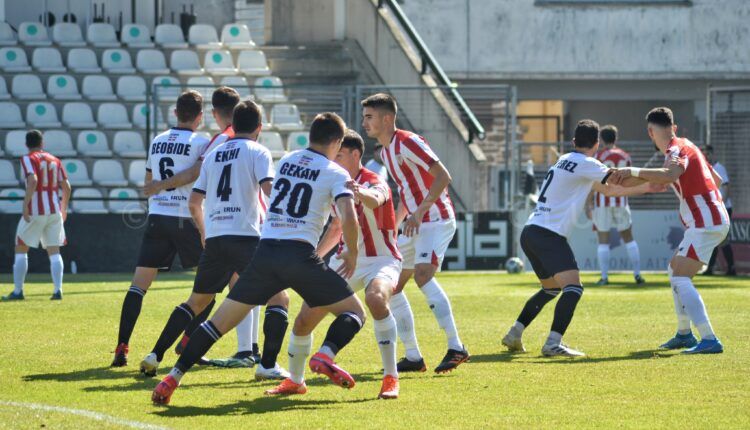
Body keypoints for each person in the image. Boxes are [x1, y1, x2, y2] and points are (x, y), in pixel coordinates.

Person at [152, 112, 365, 404]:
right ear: (337, 142)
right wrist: (352, 251)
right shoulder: (336, 172)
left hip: (264, 251)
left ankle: (172, 377)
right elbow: (349, 217)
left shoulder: (288, 159)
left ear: (310, 136)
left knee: (217, 323)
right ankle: (324, 355)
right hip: (299, 254)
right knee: (354, 313)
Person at [139, 100, 290, 380]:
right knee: (279, 298)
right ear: (259, 127)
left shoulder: (215, 154)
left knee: (196, 301)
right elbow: (270, 190)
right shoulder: (259, 151)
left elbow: (195, 202)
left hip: (216, 237)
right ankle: (267, 365)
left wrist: (205, 234)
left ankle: (155, 354)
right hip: (245, 236)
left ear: (233, 123)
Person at [502, 120, 646, 357]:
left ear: (573, 142)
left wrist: (646, 189)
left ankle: (514, 333)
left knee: (550, 289)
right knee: (573, 288)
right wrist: (657, 179)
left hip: (531, 231)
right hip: (549, 235)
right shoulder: (587, 163)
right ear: (596, 144)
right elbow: (618, 181)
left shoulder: (563, 160)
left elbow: (608, 190)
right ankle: (552, 343)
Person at [361, 93, 468, 374]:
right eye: (364, 117)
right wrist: (394, 227)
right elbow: (404, 193)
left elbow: (444, 176)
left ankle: (457, 347)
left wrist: (419, 211)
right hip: (415, 222)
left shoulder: (408, 141)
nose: (364, 123)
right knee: (392, 285)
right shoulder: (385, 152)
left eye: (369, 117)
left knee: (423, 274)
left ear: (387, 119)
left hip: (436, 219)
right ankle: (413, 356)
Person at [609, 107, 730, 354]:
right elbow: (715, 180)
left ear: (650, 132)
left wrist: (632, 173)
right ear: (673, 127)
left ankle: (709, 338)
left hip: (705, 222)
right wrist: (621, 185)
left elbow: (669, 174)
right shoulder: (688, 146)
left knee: (680, 277)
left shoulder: (676, 150)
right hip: (709, 219)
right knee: (674, 268)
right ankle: (684, 334)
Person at [110, 91, 209, 367]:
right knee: (210, 288)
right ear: (200, 117)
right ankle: (188, 342)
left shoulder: (158, 140)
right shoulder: (201, 143)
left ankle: (122, 346)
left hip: (157, 215)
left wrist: (158, 188)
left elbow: (148, 182)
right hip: (185, 217)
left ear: (175, 112)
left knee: (138, 285)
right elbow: (192, 175)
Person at [314, 129, 401, 399]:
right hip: (347, 259)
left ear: (354, 155)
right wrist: (315, 256)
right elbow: (338, 226)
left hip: (382, 259)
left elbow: (376, 199)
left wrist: (357, 191)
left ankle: (391, 377)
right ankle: (295, 379)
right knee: (307, 313)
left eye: (338, 155)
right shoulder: (334, 181)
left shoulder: (375, 180)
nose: (333, 160)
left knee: (375, 299)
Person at [2, 130, 71, 301]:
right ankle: (58, 290)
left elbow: (32, 181)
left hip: (35, 211)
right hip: (54, 210)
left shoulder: (28, 158)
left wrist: (25, 204)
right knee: (54, 250)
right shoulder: (55, 159)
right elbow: (67, 187)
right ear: (42, 143)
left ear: (27, 144)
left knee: (21, 247)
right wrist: (64, 208)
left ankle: (18, 291)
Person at [586, 125, 645, 285]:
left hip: (602, 201)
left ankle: (604, 277)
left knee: (603, 240)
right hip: (621, 200)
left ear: (601, 139)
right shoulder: (625, 156)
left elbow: (595, 180)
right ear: (616, 138)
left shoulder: (599, 156)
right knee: (629, 238)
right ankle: (637, 275)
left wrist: (588, 202)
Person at [702, 145, 735, 276]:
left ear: (712, 154)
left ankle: (731, 268)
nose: (706, 156)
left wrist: (722, 204)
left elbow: (726, 187)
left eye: (708, 154)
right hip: (715, 208)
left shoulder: (719, 168)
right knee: (715, 238)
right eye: (704, 154)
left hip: (724, 208)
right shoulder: (706, 169)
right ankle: (710, 268)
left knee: (723, 239)